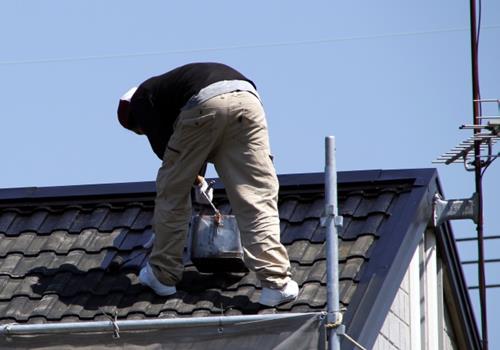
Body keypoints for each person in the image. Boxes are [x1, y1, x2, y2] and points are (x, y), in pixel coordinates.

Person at [117, 62, 298, 306]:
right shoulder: (174, 88)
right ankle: (276, 283)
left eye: (140, 131)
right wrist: (198, 177)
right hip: (248, 100)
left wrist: (191, 179)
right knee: (255, 196)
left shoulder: (142, 98)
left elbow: (168, 153)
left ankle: (162, 275)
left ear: (134, 120)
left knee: (172, 191)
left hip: (205, 103)